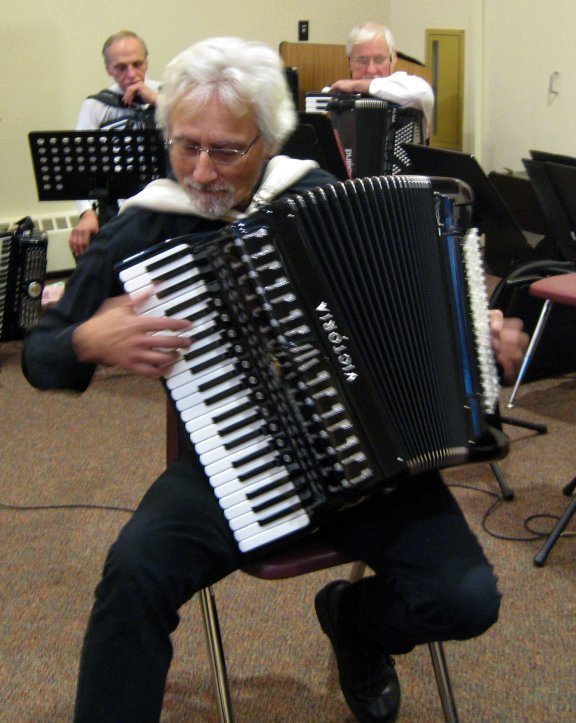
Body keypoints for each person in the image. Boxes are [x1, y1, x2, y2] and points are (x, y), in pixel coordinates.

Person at [22, 37, 528, 723]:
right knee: (134, 574)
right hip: (231, 458)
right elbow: (42, 353)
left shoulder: (317, 197)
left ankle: (354, 623)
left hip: (371, 458)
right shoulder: (143, 225)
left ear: (268, 140)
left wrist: (479, 336)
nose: (200, 170)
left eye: (226, 150)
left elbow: (421, 310)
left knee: (466, 599)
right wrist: (85, 337)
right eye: (185, 144)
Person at [69, 30, 161, 258]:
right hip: (117, 206)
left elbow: (197, 136)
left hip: (166, 202)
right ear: (108, 68)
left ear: (147, 62)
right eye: (121, 67)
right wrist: (86, 213)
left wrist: (158, 103)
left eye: (137, 64)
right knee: (92, 248)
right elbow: (81, 163)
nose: (131, 73)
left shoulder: (170, 96)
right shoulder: (96, 106)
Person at [328, 22, 434, 136]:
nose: (371, 70)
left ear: (393, 58)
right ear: (350, 62)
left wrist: (357, 85)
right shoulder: (338, 97)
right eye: (362, 60)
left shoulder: (406, 86)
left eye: (379, 60)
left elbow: (423, 93)